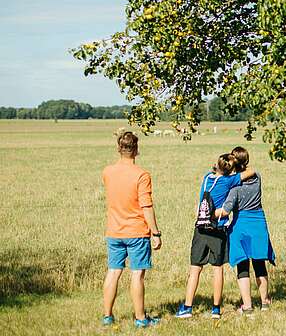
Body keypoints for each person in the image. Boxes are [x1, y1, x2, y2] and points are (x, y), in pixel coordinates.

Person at [176, 153, 255, 319]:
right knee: (217, 269)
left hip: (201, 228)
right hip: (218, 229)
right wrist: (239, 166)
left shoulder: (206, 178)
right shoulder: (228, 181)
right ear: (230, 170)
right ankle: (216, 309)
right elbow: (251, 172)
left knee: (195, 269)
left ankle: (187, 307)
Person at [101, 131, 162, 328]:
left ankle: (107, 316)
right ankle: (140, 318)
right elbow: (146, 206)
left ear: (119, 149)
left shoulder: (107, 171)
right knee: (137, 274)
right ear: (136, 149)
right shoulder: (142, 175)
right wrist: (155, 232)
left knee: (113, 272)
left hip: (114, 231)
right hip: (136, 231)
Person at [215, 146, 275, 315]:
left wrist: (208, 212)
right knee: (259, 264)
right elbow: (251, 171)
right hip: (258, 223)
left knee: (242, 266)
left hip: (240, 225)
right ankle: (265, 302)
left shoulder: (234, 185)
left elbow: (226, 210)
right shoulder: (257, 177)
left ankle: (247, 306)